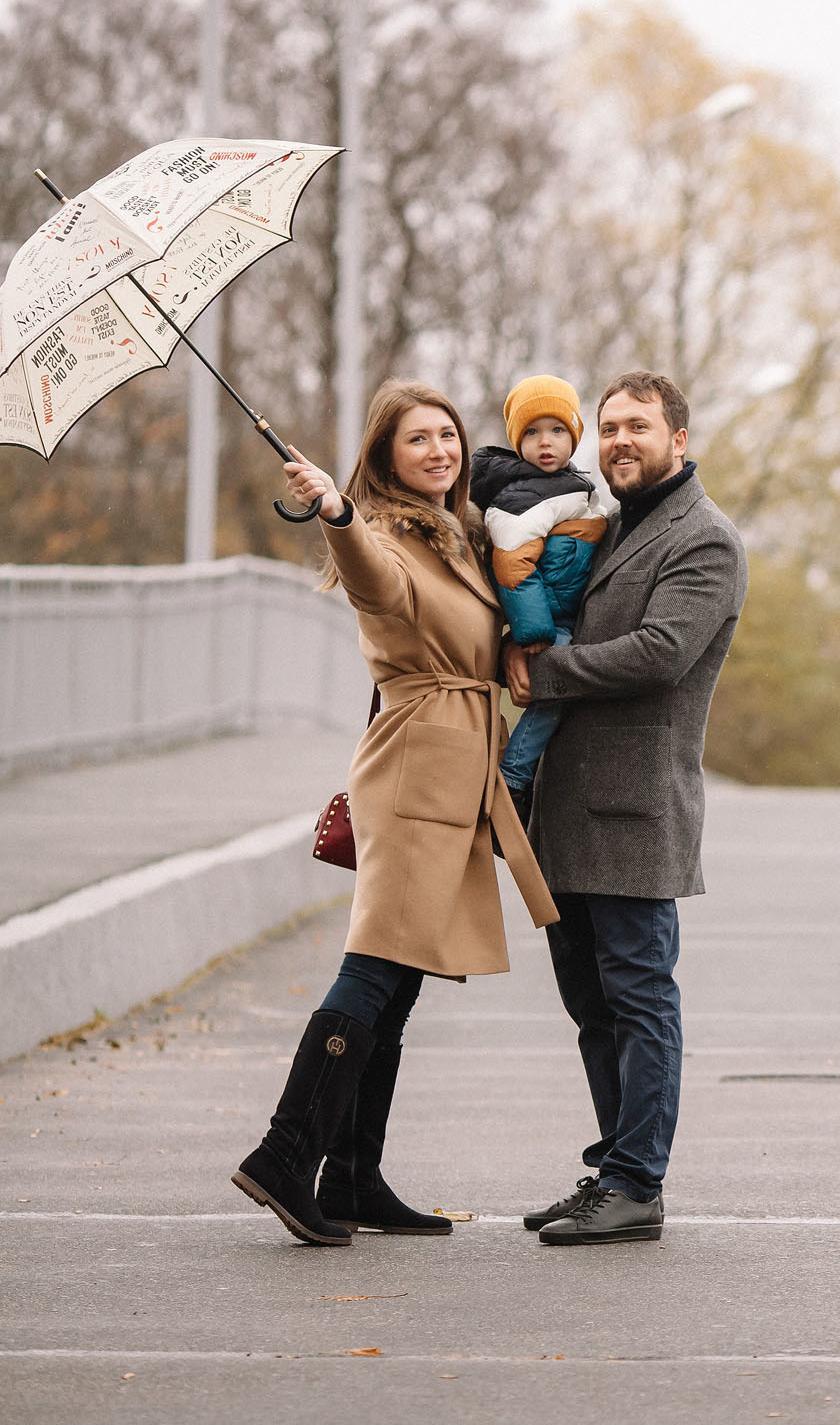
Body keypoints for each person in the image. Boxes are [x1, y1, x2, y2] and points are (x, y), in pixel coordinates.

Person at [233, 381, 557, 1246]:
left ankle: (351, 1176)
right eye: (418, 439)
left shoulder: (457, 533)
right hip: (418, 769)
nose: (439, 450)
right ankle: (283, 1154)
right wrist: (336, 512)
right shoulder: (380, 532)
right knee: (377, 964)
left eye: (448, 435)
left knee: (403, 976)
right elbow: (372, 583)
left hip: (452, 767)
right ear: (384, 456)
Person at [505, 371, 747, 1245]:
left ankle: (638, 1184)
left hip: (635, 810)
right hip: (568, 808)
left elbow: (660, 653)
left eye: (637, 426)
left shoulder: (704, 538)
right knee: (592, 1007)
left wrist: (545, 672)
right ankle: (612, 1170)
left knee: (640, 1001)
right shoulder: (607, 522)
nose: (619, 441)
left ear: (679, 439)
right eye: (608, 427)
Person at [468, 373, 616, 816]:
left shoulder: (570, 486)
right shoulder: (523, 495)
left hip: (562, 612)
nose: (545, 442)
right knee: (558, 691)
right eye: (531, 433)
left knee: (559, 693)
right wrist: (535, 631)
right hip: (549, 621)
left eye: (556, 430)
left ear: (575, 437)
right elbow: (512, 563)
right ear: (517, 443)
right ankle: (514, 777)